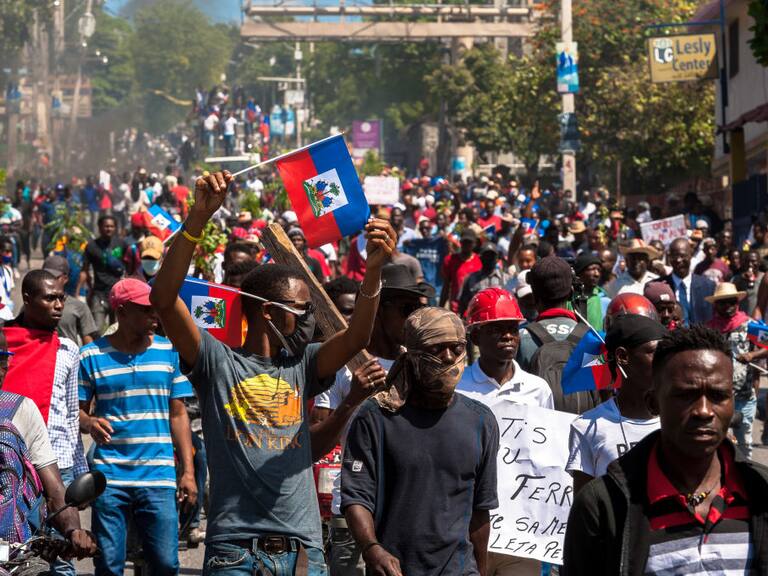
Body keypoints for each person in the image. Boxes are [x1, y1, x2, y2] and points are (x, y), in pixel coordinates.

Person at [150, 170, 396, 576]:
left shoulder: (303, 364)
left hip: (302, 550)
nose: (308, 320)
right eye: (300, 310)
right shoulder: (216, 362)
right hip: (234, 552)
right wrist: (197, 218)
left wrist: (373, 270)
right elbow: (163, 296)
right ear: (268, 312)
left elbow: (355, 338)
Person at [563, 326, 768, 575]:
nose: (704, 411)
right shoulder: (605, 504)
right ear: (653, 403)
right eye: (685, 396)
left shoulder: (760, 491)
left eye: (718, 395)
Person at [342, 307, 499, 576]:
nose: (448, 357)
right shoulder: (377, 416)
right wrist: (372, 548)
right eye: (436, 348)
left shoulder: (481, 422)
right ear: (412, 355)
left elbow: (480, 511)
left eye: (456, 348)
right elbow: (356, 497)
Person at [312, 265, 431, 576]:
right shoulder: (342, 365)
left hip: (409, 509)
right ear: (378, 308)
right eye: (405, 309)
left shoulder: (420, 366)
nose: (413, 318)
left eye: (417, 309)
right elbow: (315, 441)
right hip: (352, 509)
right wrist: (353, 398)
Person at [79, 278, 197, 576]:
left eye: (154, 309)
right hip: (109, 477)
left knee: (166, 563)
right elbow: (76, 414)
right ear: (121, 312)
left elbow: (178, 414)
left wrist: (188, 471)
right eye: (145, 310)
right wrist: (90, 421)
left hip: (158, 476)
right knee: (108, 564)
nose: (154, 316)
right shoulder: (91, 356)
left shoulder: (169, 352)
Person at [3, 270, 88, 576]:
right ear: (27, 299)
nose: (58, 305)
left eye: (61, 298)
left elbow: (70, 415)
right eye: (49, 298)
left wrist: (80, 473)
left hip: (58, 466)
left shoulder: (68, 349)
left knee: (63, 556)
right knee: (14, 554)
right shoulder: (4, 343)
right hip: (10, 466)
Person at [0, 326, 98, 559]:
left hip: (11, 554)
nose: (5, 366)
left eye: (5, 357)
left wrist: (73, 530)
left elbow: (54, 488)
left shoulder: (21, 410)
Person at [567, 314, 667, 493]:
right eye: (656, 352)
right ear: (622, 356)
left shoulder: (678, 419)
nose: (665, 362)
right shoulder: (588, 427)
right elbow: (584, 506)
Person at [517, 256, 600, 414]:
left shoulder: (521, 338)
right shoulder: (591, 338)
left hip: (539, 433)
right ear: (571, 293)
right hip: (583, 431)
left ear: (534, 296)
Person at [459, 287, 553, 409]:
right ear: (476, 337)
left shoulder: (538, 389)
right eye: (497, 330)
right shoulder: (458, 387)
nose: (508, 336)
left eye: (513, 329)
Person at [705, 282, 767, 459]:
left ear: (737, 303)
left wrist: (753, 355)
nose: (728, 306)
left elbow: (767, 346)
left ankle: (747, 480)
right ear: (716, 305)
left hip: (744, 396)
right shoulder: (709, 329)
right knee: (718, 444)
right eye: (723, 302)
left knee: (744, 445)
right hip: (716, 397)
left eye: (732, 302)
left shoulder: (749, 325)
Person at [81, 215, 128, 333]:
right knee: (97, 330)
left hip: (118, 294)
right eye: (106, 226)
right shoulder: (91, 246)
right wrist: (88, 290)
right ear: (99, 227)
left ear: (115, 228)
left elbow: (130, 266)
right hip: (99, 293)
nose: (109, 229)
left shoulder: (122, 244)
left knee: (118, 330)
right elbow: (85, 270)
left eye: (112, 226)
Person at [658, 237, 716, 326]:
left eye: (682, 256)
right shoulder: (659, 286)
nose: (678, 260)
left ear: (691, 255)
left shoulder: (708, 286)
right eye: (674, 256)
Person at [42, 255, 99, 345]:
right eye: (45, 276)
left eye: (54, 277)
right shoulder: (34, 304)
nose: (49, 281)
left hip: (68, 356)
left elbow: (88, 341)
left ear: (65, 279)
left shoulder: (78, 307)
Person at [457, 243, 510, 317]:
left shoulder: (506, 278)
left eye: (492, 256)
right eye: (486, 256)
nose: (489, 259)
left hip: (500, 320)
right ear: (480, 257)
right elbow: (462, 305)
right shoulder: (470, 279)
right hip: (478, 321)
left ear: (497, 258)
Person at [440, 228, 481, 313]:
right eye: (464, 242)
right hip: (456, 309)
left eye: (469, 242)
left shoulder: (480, 261)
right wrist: (440, 308)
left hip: (475, 308)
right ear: (460, 242)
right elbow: (446, 286)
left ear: (474, 244)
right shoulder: (450, 260)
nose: (466, 244)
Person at [570, 251, 610, 331]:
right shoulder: (569, 299)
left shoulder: (605, 300)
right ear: (579, 273)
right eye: (592, 269)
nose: (597, 274)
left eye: (599, 270)